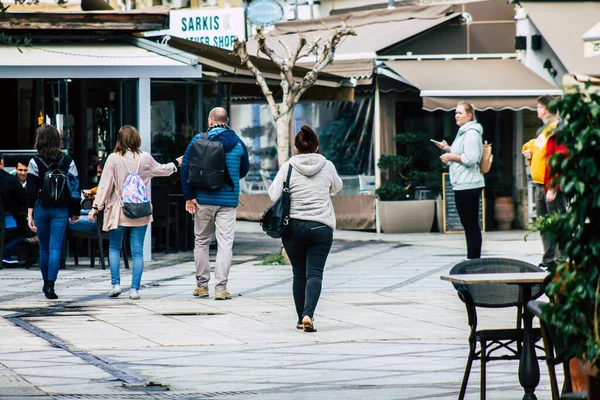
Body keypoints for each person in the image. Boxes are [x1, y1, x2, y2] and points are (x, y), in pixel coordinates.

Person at [89, 125, 181, 300]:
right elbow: (162, 170)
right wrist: (176, 163)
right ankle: (134, 290)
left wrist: (96, 207)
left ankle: (115, 285)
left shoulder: (113, 159)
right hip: (140, 210)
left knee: (115, 248)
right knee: (137, 251)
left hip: (118, 210)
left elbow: (105, 185)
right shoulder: (145, 158)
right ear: (136, 139)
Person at [268, 125, 342, 332]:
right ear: (317, 147)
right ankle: (309, 314)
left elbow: (274, 194)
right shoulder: (327, 165)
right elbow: (337, 187)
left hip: (294, 227)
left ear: (296, 148)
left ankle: (301, 319)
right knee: (315, 273)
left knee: (298, 274)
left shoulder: (288, 167)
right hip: (321, 227)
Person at [180, 107, 249, 301]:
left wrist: (189, 196)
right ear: (227, 121)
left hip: (203, 198)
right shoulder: (238, 143)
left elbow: (185, 168)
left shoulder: (198, 139)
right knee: (225, 244)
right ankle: (221, 288)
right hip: (227, 200)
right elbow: (244, 170)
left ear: (211, 120)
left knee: (201, 241)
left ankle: (202, 286)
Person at [26, 124, 81, 299]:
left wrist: (29, 214)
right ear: (58, 140)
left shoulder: (35, 162)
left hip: (41, 208)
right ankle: (51, 284)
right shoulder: (68, 161)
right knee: (56, 247)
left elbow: (31, 191)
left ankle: (44, 283)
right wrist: (75, 211)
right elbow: (74, 188)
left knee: (44, 249)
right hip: (61, 208)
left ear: (39, 140)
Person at [435, 102, 485, 260]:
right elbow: (462, 152)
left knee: (470, 224)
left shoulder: (471, 132)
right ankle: (472, 257)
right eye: (455, 113)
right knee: (468, 224)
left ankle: (473, 258)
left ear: (469, 115)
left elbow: (471, 158)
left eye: (460, 113)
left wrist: (450, 157)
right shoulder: (463, 132)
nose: (456, 116)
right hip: (462, 184)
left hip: (468, 184)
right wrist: (448, 148)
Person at [522, 95, 566, 269]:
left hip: (551, 186)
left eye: (538, 107)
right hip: (541, 184)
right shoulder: (544, 130)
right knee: (545, 226)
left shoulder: (558, 130)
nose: (537, 110)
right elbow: (538, 150)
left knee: (556, 224)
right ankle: (549, 259)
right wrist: (529, 154)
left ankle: (561, 260)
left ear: (546, 109)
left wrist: (553, 186)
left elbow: (558, 160)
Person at [0, 153, 27, 264]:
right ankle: (4, 253)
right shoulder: (11, 180)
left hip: (7, 219)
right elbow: (23, 201)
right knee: (26, 231)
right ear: (2, 163)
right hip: (8, 219)